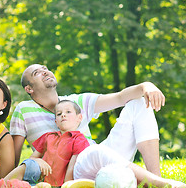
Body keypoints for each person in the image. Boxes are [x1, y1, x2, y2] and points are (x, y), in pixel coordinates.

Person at [10, 64, 164, 176]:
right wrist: (7, 180)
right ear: (29, 89)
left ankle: (155, 178)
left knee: (139, 103)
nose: (45, 72)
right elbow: (14, 156)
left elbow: (120, 97)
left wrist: (146, 86)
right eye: (37, 72)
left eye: (45, 68)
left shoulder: (77, 101)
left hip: (101, 158)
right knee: (94, 152)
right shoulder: (23, 109)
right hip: (75, 172)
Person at [5, 100, 90, 187]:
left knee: (24, 187)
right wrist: (38, 160)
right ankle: (2, 185)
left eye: (68, 112)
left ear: (79, 118)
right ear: (56, 122)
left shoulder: (79, 140)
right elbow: (32, 158)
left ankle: (10, 186)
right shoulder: (48, 137)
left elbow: (72, 168)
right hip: (38, 180)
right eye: (59, 114)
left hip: (60, 185)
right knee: (28, 164)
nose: (63, 115)